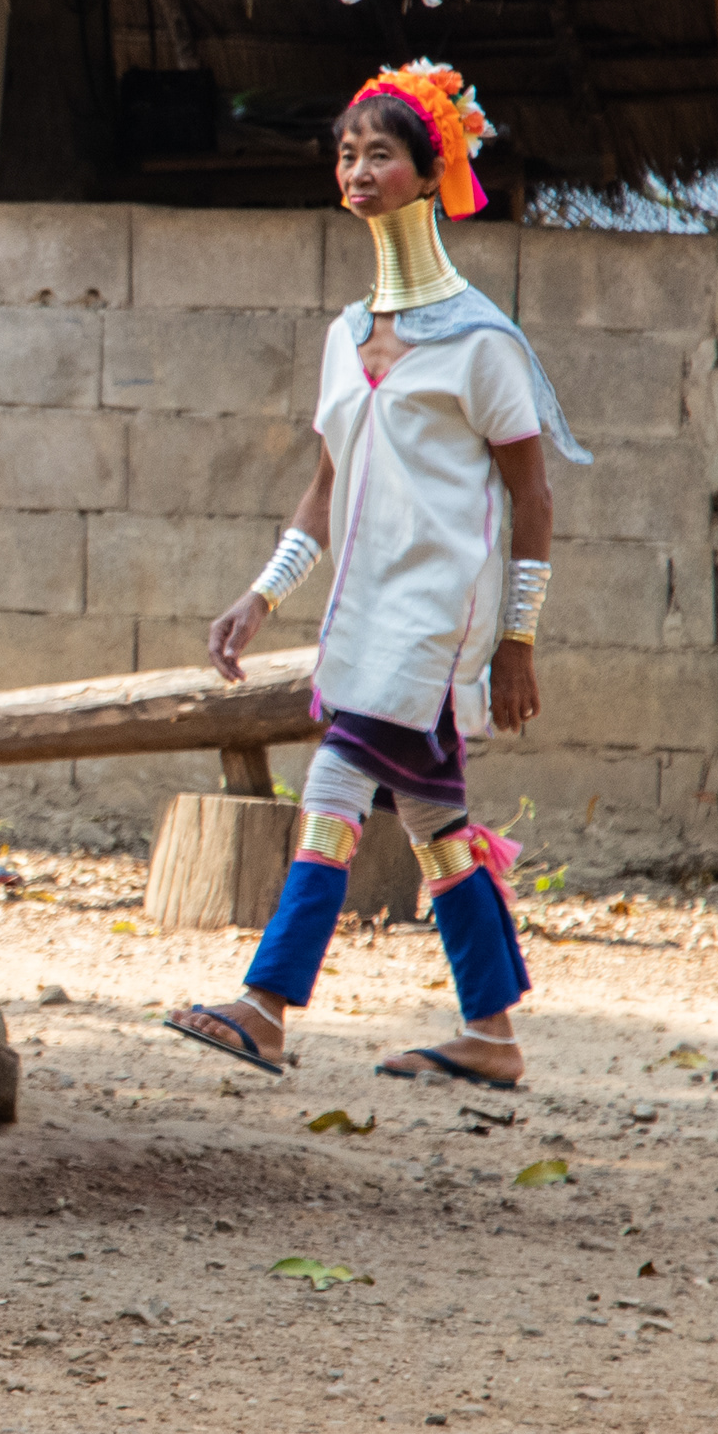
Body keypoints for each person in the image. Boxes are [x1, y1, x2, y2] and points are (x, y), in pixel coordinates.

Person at [166, 62, 589, 1087]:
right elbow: (325, 488)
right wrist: (263, 594)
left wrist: (518, 642)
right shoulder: (345, 337)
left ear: (429, 170)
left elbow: (533, 500)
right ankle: (490, 1033)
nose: (357, 169)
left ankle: (265, 1006)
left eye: (380, 153)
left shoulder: (483, 343)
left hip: (437, 621)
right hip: (363, 618)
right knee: (437, 822)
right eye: (346, 152)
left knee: (336, 786)